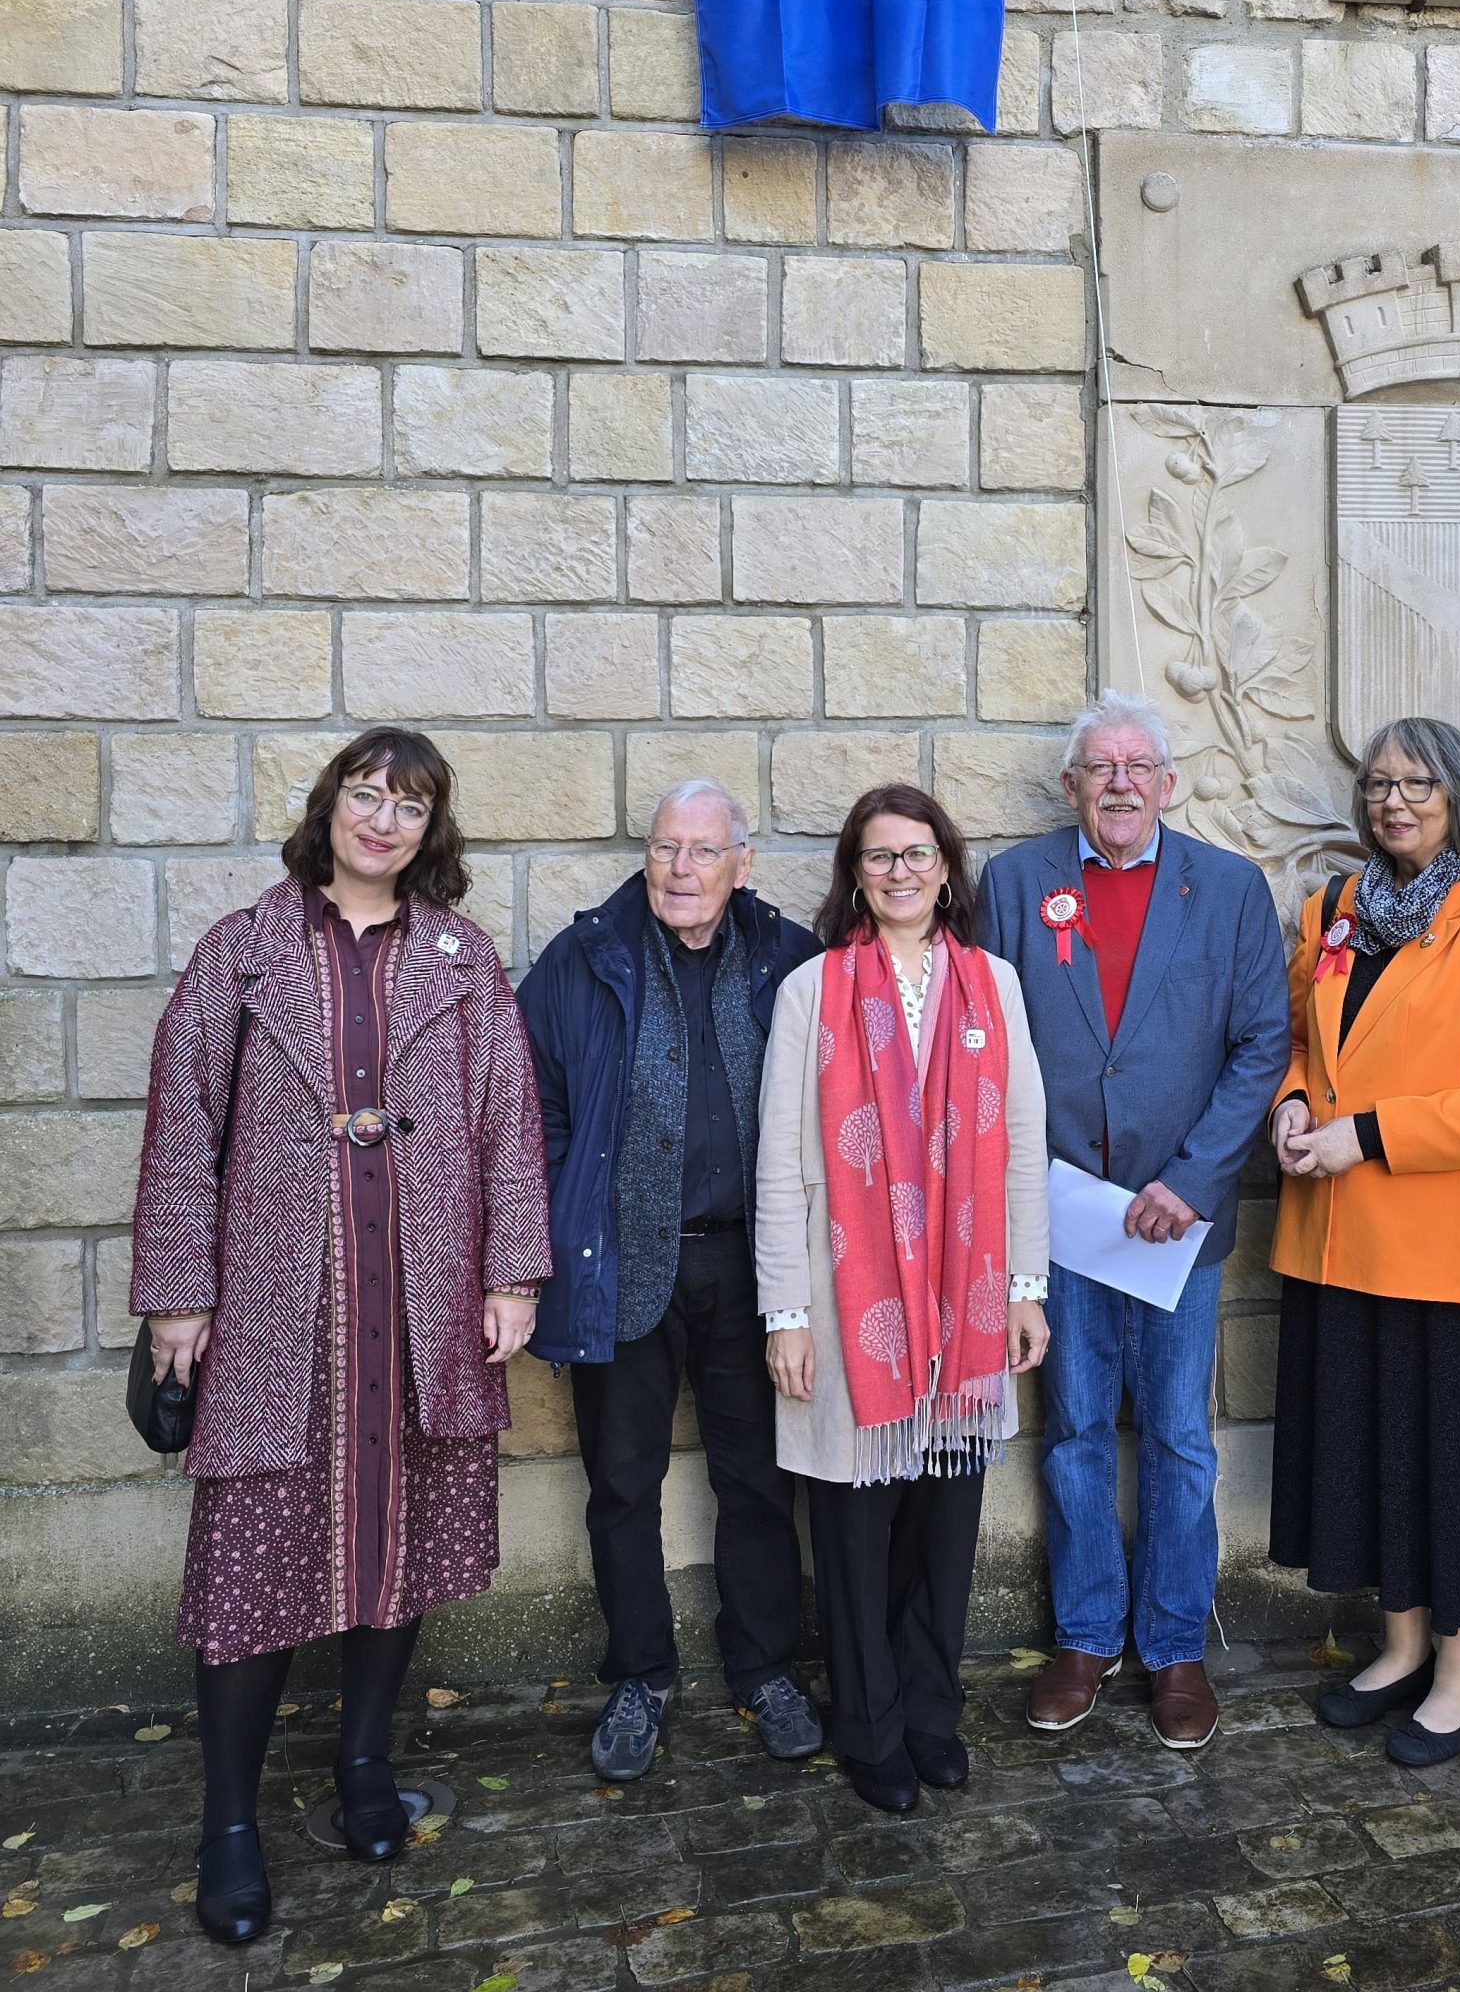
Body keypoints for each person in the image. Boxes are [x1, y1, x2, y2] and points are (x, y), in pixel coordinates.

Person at [131, 728, 550, 1946]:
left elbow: (509, 1126)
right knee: (247, 1568)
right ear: (331, 807)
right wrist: (176, 1293)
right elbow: (179, 1123)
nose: (383, 820)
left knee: (399, 1539)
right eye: (365, 795)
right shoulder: (245, 952)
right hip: (276, 1312)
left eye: (409, 806)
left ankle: (365, 1764)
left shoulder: (464, 962)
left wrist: (514, 1271)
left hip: (420, 1308)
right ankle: (229, 1824)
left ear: (432, 831)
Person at [982, 691, 1289, 1751]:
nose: (1119, 780)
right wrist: (1033, 1182)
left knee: (1173, 1435)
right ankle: (1082, 1634)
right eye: (1098, 766)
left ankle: (1171, 1646)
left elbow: (1261, 1044)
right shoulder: (1015, 883)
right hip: (1061, 1217)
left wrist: (1195, 1177)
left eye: (1137, 764)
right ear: (1071, 786)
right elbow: (992, 1039)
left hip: (1175, 1223)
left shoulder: (1231, 889)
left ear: (1167, 781)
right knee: (1069, 1430)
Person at [516, 780, 822, 1782]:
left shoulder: (786, 958)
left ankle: (764, 1667)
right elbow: (533, 1108)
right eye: (663, 848)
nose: (679, 870)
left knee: (758, 1480)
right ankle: (641, 1674)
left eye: (701, 851)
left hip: (747, 1259)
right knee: (620, 1482)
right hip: (621, 1260)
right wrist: (564, 1220)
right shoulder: (584, 957)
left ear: (743, 863)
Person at [754, 785, 1050, 1814]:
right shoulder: (811, 991)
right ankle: (869, 1723)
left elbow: (1019, 1148)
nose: (898, 872)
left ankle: (929, 1710)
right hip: (850, 1307)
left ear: (945, 866)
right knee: (852, 1529)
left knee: (942, 1524)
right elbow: (781, 1168)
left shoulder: (994, 985)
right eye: (877, 857)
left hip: (963, 1309)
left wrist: (1023, 1288)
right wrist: (784, 1314)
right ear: (854, 873)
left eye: (915, 853)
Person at [1269, 718, 1460, 1768]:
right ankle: (1395, 1647)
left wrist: (1369, 1135)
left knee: (1451, 1461)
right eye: (1380, 784)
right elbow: (1304, 1044)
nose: (1394, 801)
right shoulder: (1329, 911)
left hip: (1443, 1249)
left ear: (1458, 795)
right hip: (1336, 1237)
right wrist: (1294, 1107)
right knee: (1370, 1451)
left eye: (1417, 784)